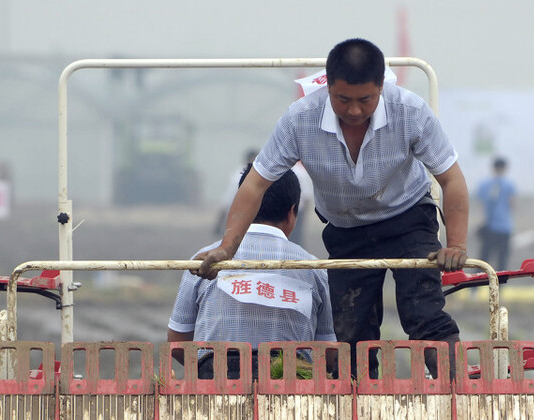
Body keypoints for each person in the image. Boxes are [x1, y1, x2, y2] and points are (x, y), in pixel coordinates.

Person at [197, 38, 468, 379]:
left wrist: (456, 245)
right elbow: (255, 183)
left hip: (409, 219)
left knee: (424, 312)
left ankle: (458, 390)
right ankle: (359, 407)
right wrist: (227, 247)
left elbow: (452, 180)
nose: (354, 111)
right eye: (343, 100)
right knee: (351, 331)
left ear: (381, 86)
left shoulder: (410, 112)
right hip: (346, 229)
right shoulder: (300, 119)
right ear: (329, 87)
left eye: (365, 100)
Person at [169, 166, 335, 379]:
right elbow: (329, 354)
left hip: (213, 391)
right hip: (292, 398)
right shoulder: (315, 269)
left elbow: (177, 342)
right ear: (292, 213)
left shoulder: (204, 261)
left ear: (240, 206)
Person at [475, 156, 516, 270]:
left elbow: (480, 205)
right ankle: (500, 286)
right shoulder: (509, 184)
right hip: (504, 226)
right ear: (504, 168)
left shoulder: (484, 184)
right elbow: (512, 204)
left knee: (484, 258)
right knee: (502, 258)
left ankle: (475, 285)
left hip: (488, 226)